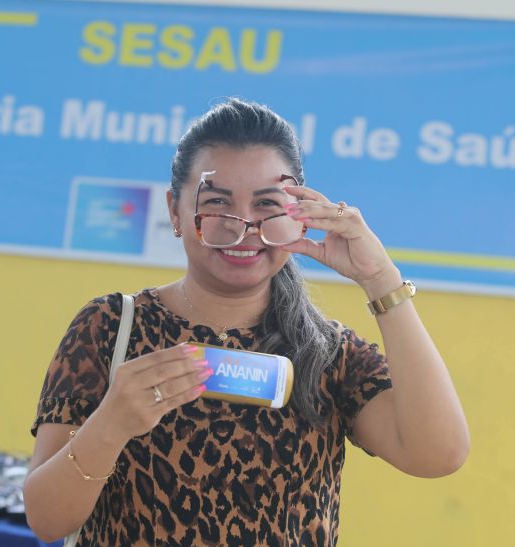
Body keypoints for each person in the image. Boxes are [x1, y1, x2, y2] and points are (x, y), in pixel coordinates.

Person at [24, 98, 470, 546]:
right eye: (217, 204)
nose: (245, 227)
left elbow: (438, 455)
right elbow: (46, 519)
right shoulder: (110, 326)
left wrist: (380, 280)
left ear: (299, 215)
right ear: (175, 211)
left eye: (267, 205)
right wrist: (112, 424)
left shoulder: (327, 352)